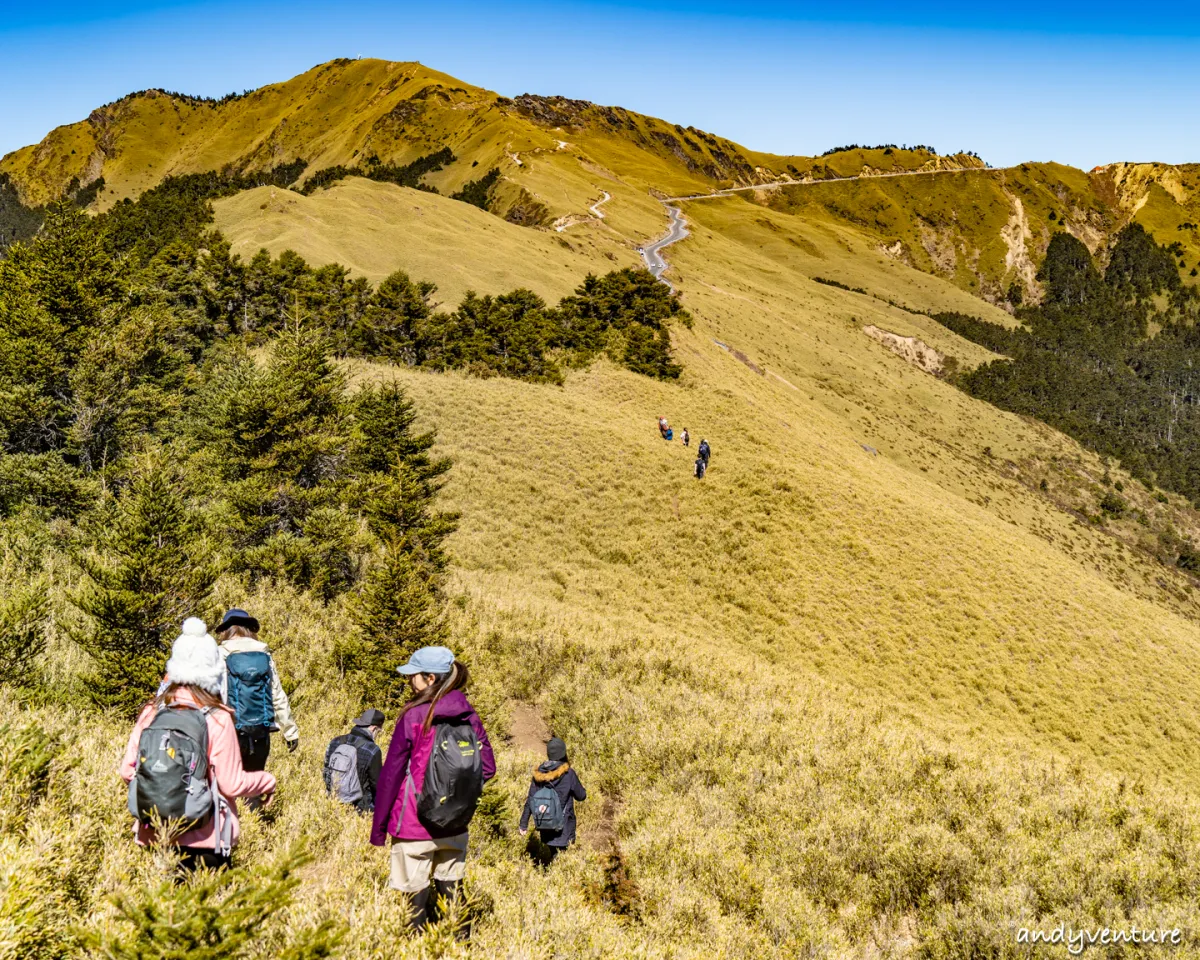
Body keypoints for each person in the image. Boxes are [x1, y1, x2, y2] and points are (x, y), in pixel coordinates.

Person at [120, 618, 275, 873]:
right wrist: (267, 781)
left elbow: (127, 771)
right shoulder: (218, 717)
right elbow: (231, 784)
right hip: (207, 840)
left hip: (156, 837)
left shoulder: (152, 712)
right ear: (214, 671)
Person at [371, 646, 496, 930]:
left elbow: (391, 775)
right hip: (456, 824)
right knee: (452, 894)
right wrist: (456, 798)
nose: (409, 681)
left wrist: (379, 829)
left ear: (429, 678)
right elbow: (487, 768)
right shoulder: (469, 715)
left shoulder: (414, 715)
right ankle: (460, 945)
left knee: (412, 899)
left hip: (413, 823)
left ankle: (418, 949)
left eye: (412, 675)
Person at [215, 608, 299, 775]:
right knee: (254, 783)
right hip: (261, 730)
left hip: (230, 730)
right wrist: (290, 731)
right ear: (250, 629)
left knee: (228, 783)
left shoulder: (219, 653)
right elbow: (277, 694)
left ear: (226, 630)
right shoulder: (263, 654)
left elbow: (211, 692)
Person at [519, 737, 587, 864]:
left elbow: (531, 799)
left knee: (554, 854)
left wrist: (523, 823)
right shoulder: (568, 774)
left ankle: (552, 871)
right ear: (563, 753)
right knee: (563, 859)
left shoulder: (539, 774)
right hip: (564, 827)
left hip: (545, 826)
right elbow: (581, 796)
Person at [324, 708, 385, 813]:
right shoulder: (373, 750)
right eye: (378, 731)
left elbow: (326, 772)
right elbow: (377, 786)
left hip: (333, 805)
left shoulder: (335, 741)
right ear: (374, 728)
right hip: (360, 810)